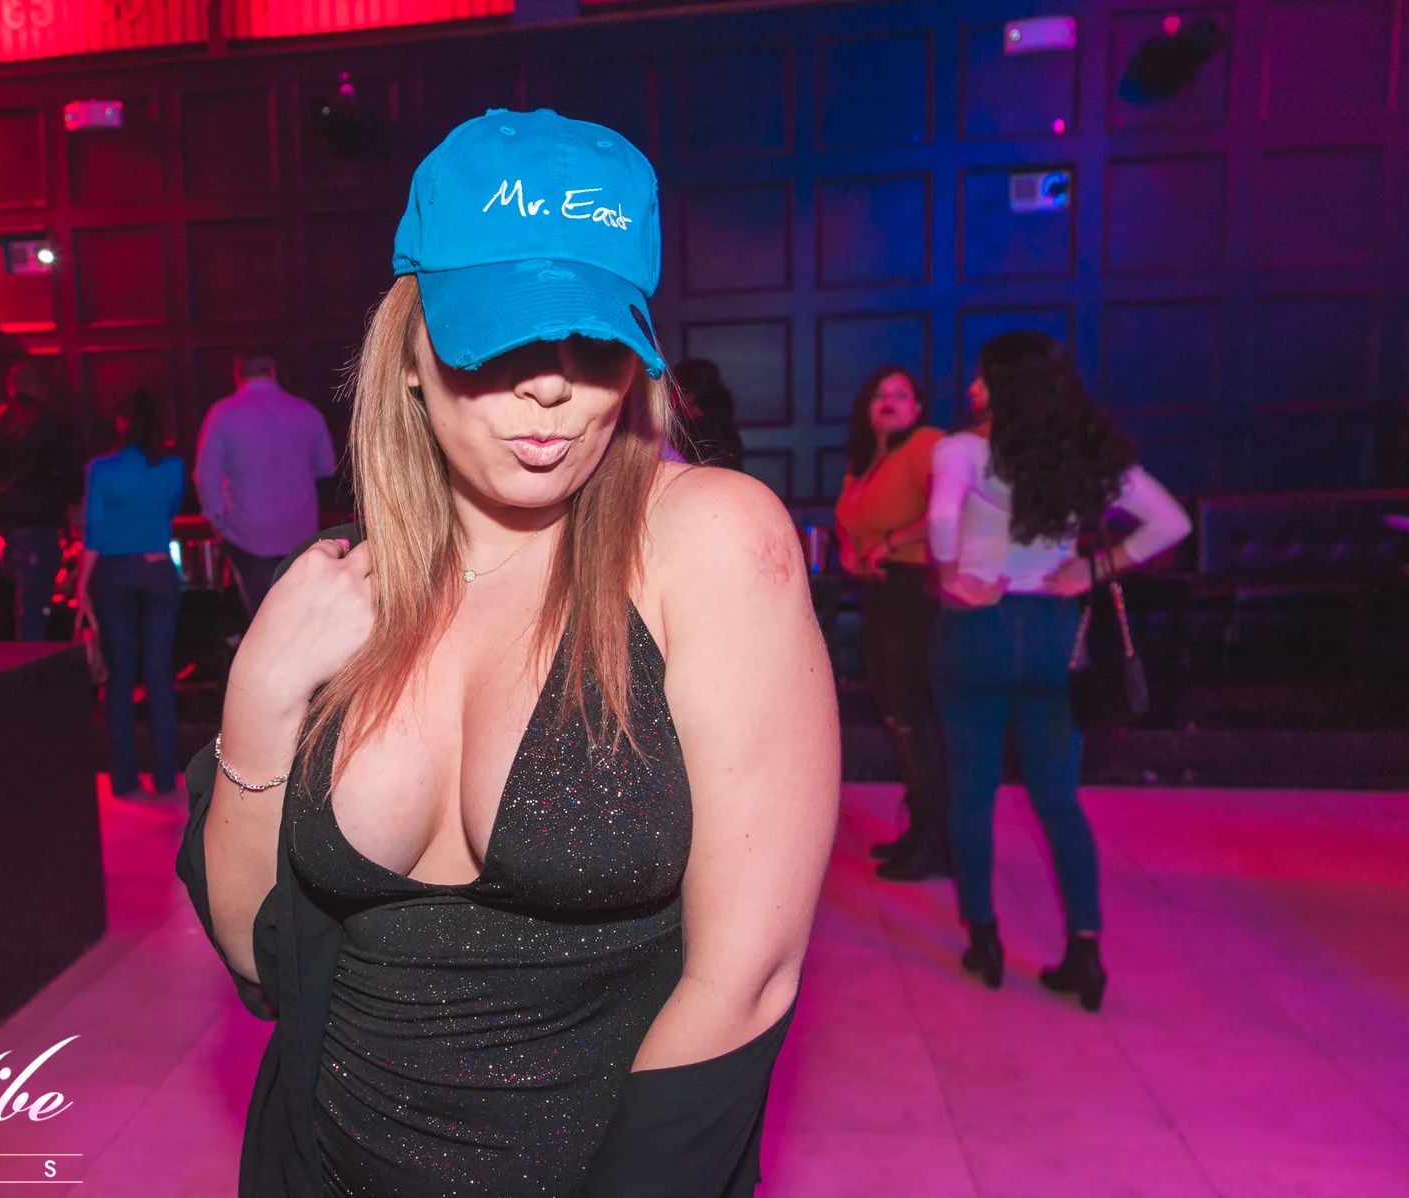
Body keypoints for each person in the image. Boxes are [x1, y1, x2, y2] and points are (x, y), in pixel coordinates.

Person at [178, 109, 841, 1198]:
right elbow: (262, 960)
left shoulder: (704, 541)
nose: (555, 387)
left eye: (597, 342)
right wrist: (256, 701)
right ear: (410, 353)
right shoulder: (340, 590)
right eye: (504, 338)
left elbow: (747, 979)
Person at [928, 331, 1191, 1011]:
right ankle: (1084, 951)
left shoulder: (962, 451)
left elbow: (941, 517)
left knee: (971, 794)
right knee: (1059, 799)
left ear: (1003, 385)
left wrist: (952, 575)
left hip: (978, 629)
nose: (972, 387)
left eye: (982, 376)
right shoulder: (1088, 456)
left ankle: (984, 941)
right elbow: (1171, 523)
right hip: (1052, 630)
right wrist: (1095, 567)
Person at [835, 366, 951, 882]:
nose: (889, 400)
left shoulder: (926, 444)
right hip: (881, 592)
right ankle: (921, 828)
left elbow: (946, 510)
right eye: (880, 393)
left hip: (917, 589)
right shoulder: (864, 462)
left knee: (912, 714)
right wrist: (851, 552)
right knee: (894, 713)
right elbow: (850, 524)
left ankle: (937, 839)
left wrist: (891, 543)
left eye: (901, 394)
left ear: (918, 408)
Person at [76, 389, 188, 798]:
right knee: (160, 674)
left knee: (120, 676)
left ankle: (124, 781)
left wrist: (80, 589)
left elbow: (93, 532)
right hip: (158, 570)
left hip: (113, 572)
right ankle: (165, 777)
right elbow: (171, 512)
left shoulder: (101, 468)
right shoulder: (174, 467)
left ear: (122, 423)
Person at [193, 352, 336, 617]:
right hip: (300, 532)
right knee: (303, 617)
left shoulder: (223, 414)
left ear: (237, 374)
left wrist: (218, 522)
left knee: (263, 620)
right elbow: (326, 467)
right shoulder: (306, 411)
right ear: (273, 371)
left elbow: (206, 475)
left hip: (249, 535)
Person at [0, 360, 83, 640]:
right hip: (39, 527)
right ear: (41, 387)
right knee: (33, 612)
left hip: (2, 531)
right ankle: (32, 663)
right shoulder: (55, 427)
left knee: (10, 611)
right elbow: (71, 480)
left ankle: (15, 661)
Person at [670, 358, 744, 470]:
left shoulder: (709, 433)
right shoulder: (724, 428)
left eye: (673, 386)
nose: (670, 393)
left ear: (690, 393)